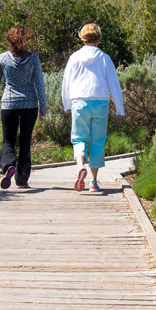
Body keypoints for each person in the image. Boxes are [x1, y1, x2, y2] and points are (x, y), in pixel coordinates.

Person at [60, 23, 124, 193]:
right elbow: (114, 85)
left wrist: (66, 104)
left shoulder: (74, 57)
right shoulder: (105, 58)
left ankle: (81, 166)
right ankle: (93, 182)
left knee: (79, 138)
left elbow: (66, 83)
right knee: (97, 142)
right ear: (99, 38)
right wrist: (120, 109)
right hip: (101, 104)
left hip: (79, 103)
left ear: (82, 38)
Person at [0, 25, 47, 189]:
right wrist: (43, 108)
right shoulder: (33, 58)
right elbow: (40, 84)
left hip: (9, 104)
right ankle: (22, 180)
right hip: (30, 105)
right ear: (25, 41)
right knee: (25, 142)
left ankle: (8, 166)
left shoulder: (2, 58)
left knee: (8, 140)